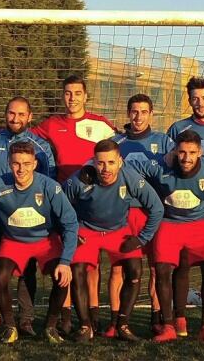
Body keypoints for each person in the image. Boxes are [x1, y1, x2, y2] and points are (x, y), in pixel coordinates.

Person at [129, 130, 204, 344]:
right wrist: (162, 158)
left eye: (191, 152)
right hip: (169, 223)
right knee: (161, 270)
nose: (186, 158)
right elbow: (129, 166)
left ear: (200, 152)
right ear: (175, 151)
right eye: (181, 152)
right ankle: (169, 325)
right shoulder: (160, 166)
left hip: (200, 223)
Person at [0, 141, 77, 343]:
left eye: (26, 163)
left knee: (62, 276)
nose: (21, 169)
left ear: (35, 164)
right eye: (16, 163)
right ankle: (10, 327)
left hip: (46, 240)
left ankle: (51, 326)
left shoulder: (49, 187)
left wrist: (65, 261)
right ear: (9, 163)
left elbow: (70, 222)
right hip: (14, 241)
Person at [34, 74, 117, 333]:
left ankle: (93, 313)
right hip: (65, 200)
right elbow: (22, 132)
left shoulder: (100, 124)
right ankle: (67, 315)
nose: (72, 98)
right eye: (68, 93)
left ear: (85, 95)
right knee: (68, 258)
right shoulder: (51, 124)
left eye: (77, 93)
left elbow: (118, 150)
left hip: (94, 201)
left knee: (92, 264)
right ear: (63, 96)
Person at [64, 139, 163, 342]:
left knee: (135, 270)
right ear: (93, 161)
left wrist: (141, 239)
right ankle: (85, 326)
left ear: (119, 161)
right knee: (77, 271)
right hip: (87, 229)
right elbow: (60, 207)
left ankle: (122, 325)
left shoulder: (131, 178)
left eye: (110, 162)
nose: (105, 168)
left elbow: (157, 208)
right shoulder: (80, 179)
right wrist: (71, 232)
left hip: (118, 230)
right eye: (100, 163)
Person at [0, 97, 55, 336]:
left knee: (26, 270)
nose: (15, 119)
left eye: (21, 114)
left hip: (25, 220)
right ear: (5, 113)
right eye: (11, 113)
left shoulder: (40, 147)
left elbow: (50, 183)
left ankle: (26, 319)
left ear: (30, 117)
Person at [109, 93, 174, 336]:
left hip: (154, 212)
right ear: (128, 113)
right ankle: (115, 321)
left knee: (157, 267)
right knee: (119, 268)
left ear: (151, 114)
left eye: (144, 112)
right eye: (134, 111)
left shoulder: (164, 141)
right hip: (124, 212)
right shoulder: (117, 142)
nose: (138, 116)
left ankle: (155, 318)